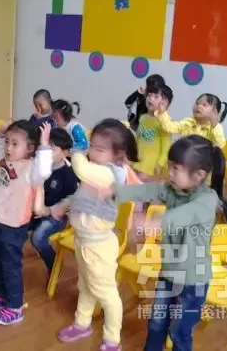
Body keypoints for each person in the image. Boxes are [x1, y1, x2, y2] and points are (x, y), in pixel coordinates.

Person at [111, 135, 225, 350]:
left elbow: (179, 217)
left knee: (179, 332)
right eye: (170, 165)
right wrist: (115, 191)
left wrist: (151, 223)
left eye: (176, 168)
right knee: (156, 322)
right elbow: (146, 190)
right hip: (169, 273)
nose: (169, 172)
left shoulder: (207, 200)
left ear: (199, 175)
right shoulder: (172, 188)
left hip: (192, 282)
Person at [50, 119, 143, 351]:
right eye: (91, 146)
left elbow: (80, 169)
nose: (91, 153)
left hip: (99, 246)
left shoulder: (111, 173)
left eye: (99, 150)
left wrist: (77, 150)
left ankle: (112, 340)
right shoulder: (96, 172)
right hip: (84, 241)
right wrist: (64, 205)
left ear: (118, 155)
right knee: (85, 285)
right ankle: (82, 323)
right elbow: (81, 195)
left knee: (107, 295)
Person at [0, 120, 52, 325]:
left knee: (10, 265)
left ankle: (15, 306)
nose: (8, 147)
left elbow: (44, 171)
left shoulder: (32, 169)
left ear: (30, 148)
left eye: (15, 143)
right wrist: (0, 134)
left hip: (14, 224)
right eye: (7, 142)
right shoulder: (4, 158)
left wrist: (45, 145)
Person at [29, 128, 78, 274]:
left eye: (53, 148)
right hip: (35, 210)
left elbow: (71, 201)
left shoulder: (68, 174)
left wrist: (49, 210)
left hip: (55, 215)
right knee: (14, 227)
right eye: (46, 145)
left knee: (38, 237)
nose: (47, 151)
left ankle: (54, 265)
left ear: (65, 153)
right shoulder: (37, 166)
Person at [156, 93, 227, 148]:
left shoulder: (215, 128)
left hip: (203, 162)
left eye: (204, 105)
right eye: (197, 103)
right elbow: (169, 127)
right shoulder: (188, 122)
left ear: (214, 112)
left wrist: (214, 125)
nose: (199, 106)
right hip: (186, 159)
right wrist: (162, 113)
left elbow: (220, 145)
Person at [135, 84, 173, 180]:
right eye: (149, 95)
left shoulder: (165, 122)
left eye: (156, 96)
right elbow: (138, 139)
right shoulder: (143, 118)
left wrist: (160, 165)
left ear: (165, 102)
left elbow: (166, 148)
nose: (150, 99)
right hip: (138, 162)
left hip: (152, 167)